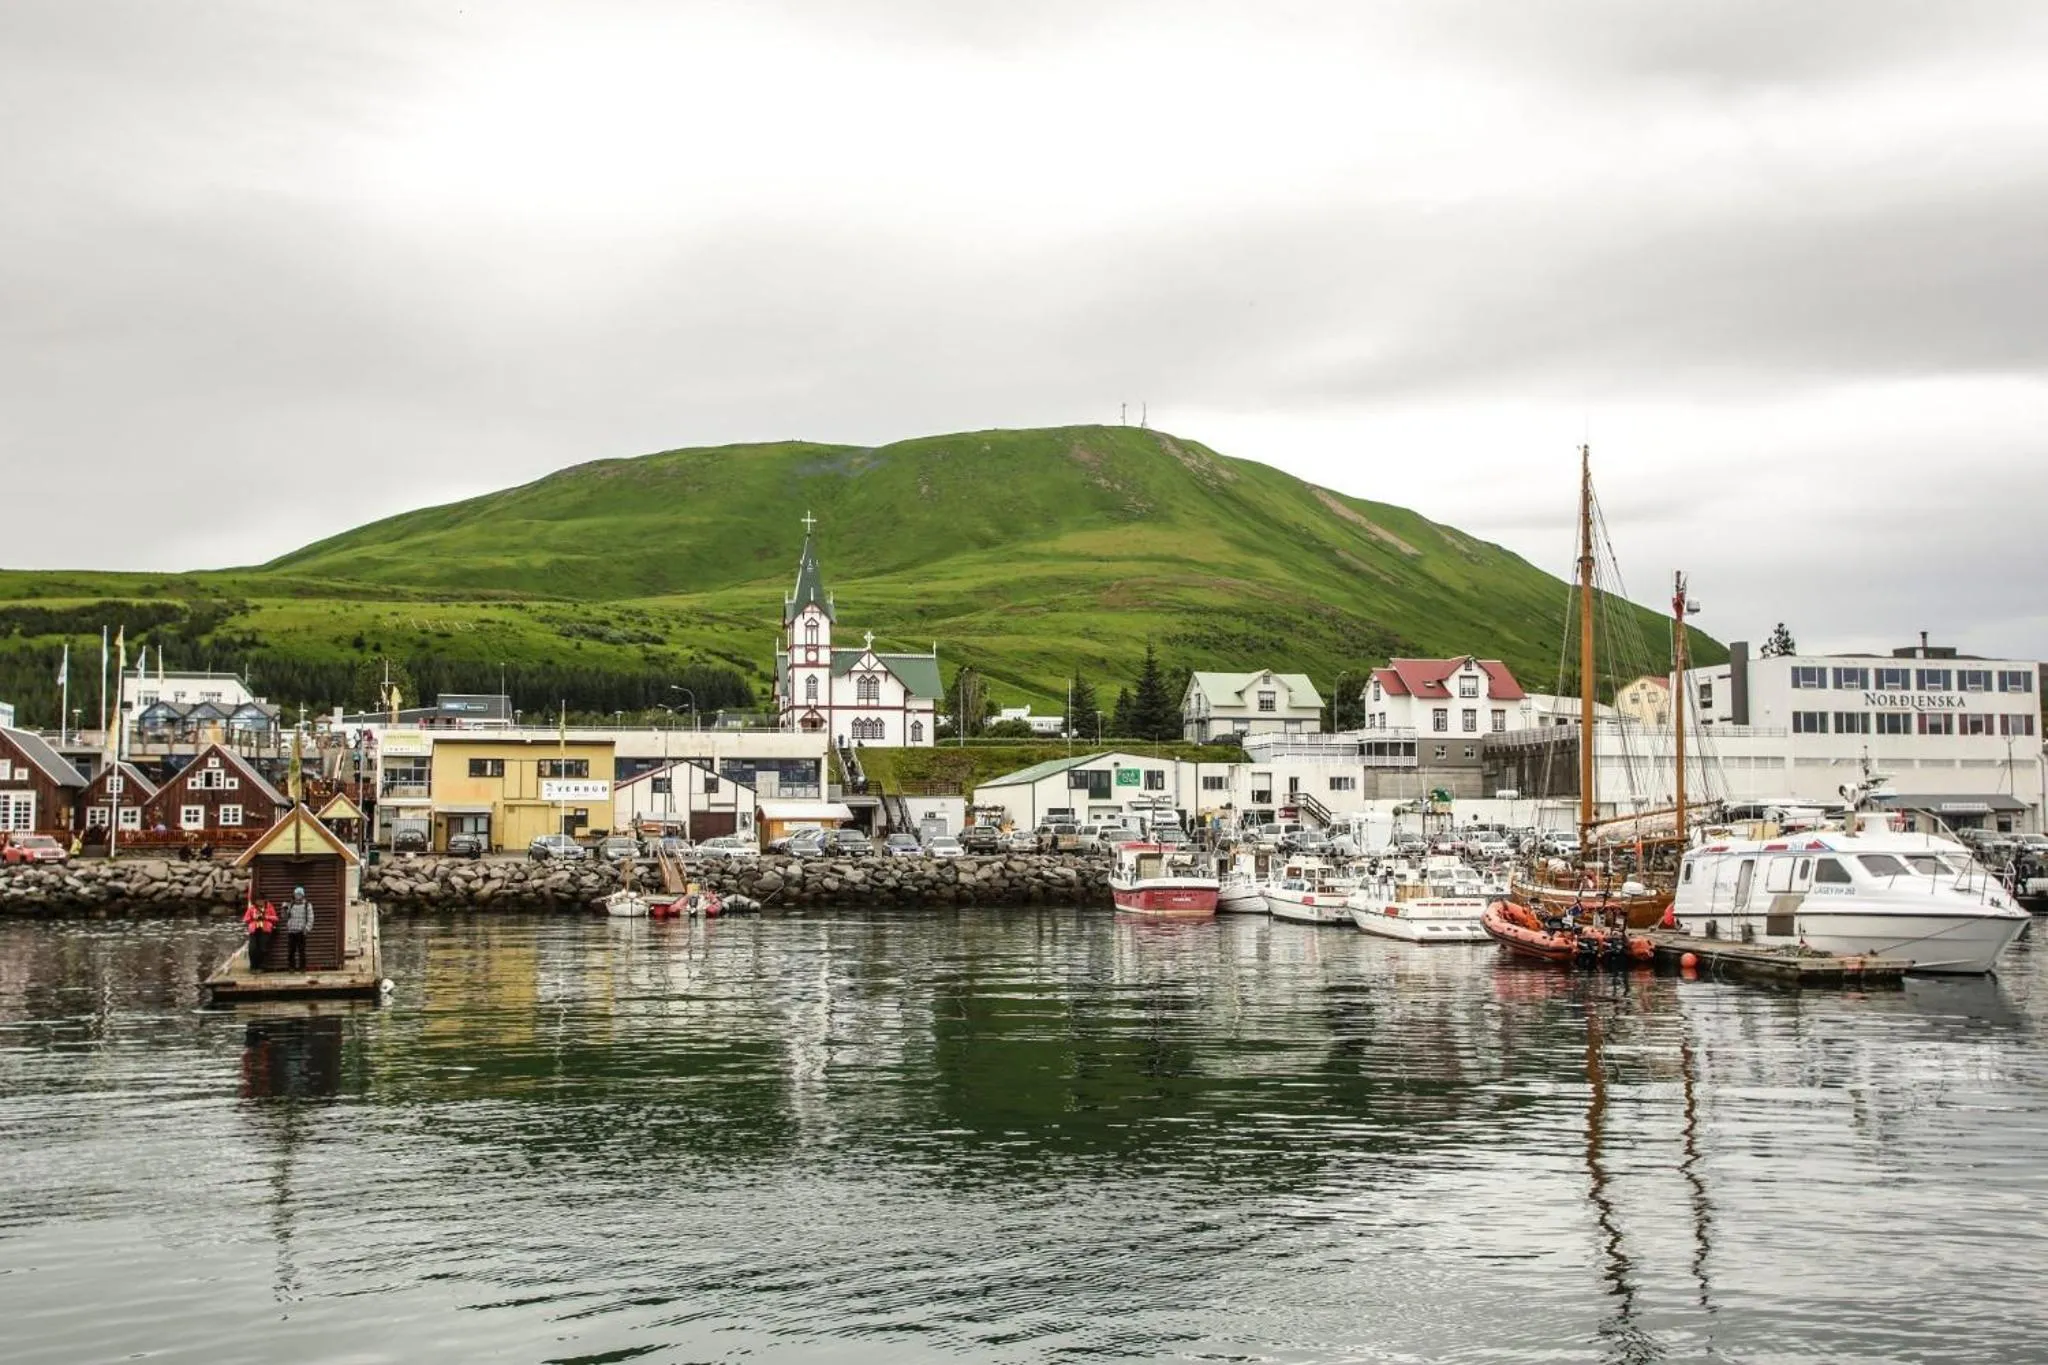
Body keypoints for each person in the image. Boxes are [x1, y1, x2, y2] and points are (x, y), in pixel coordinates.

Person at [283, 886, 315, 972]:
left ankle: (302, 967)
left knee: (301, 951)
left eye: (300, 894)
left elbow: (311, 918)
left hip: (301, 931)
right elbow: (285, 917)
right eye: (296, 894)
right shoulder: (290, 904)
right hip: (291, 931)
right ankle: (291, 967)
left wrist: (307, 929)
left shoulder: (307, 905)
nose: (298, 896)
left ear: (303, 895)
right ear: (294, 895)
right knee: (291, 951)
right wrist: (284, 909)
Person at [242, 898, 277, 970]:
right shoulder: (252, 908)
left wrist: (266, 917)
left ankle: (260, 966)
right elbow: (245, 919)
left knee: (263, 948)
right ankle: (253, 966)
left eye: (261, 900)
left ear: (264, 900)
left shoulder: (269, 907)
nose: (259, 902)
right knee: (252, 948)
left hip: (265, 930)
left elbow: (275, 918)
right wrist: (252, 918)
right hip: (254, 930)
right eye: (258, 900)